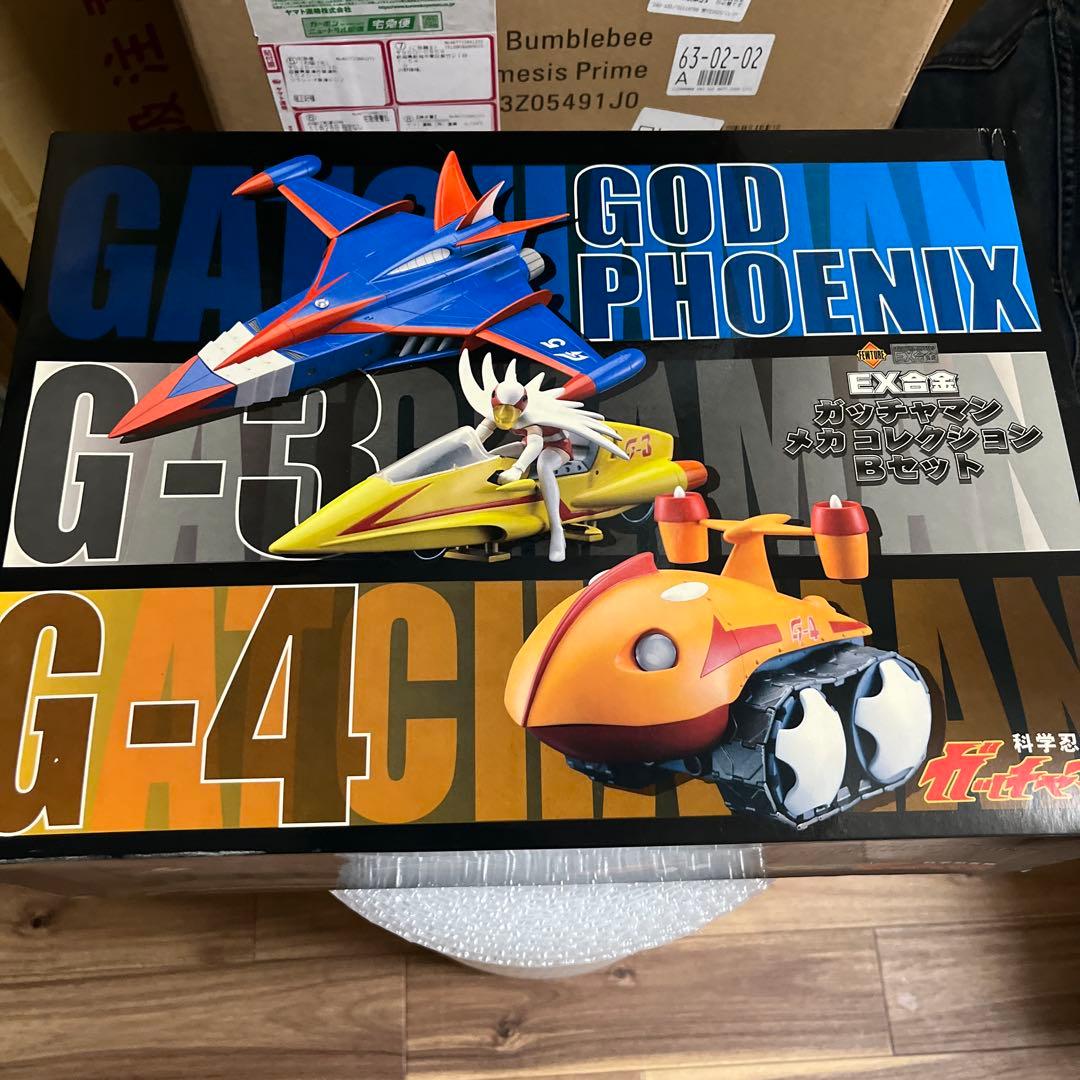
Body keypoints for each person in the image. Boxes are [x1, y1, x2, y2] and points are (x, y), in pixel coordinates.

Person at [458, 349, 627, 561]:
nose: (504, 416)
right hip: (527, 444)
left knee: (544, 466)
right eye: (500, 410)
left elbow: (535, 445)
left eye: (510, 411)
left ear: (521, 405)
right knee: (494, 456)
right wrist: (465, 452)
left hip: (557, 448)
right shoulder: (496, 409)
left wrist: (517, 469)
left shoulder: (532, 418)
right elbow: (480, 434)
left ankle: (557, 530)